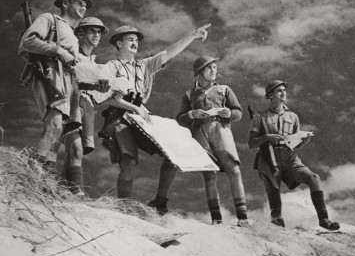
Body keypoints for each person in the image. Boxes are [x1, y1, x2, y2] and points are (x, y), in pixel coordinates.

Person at [102, 24, 211, 200]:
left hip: (142, 118)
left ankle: (160, 201)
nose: (135, 43)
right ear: (118, 43)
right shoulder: (111, 67)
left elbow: (168, 53)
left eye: (136, 40)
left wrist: (192, 36)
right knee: (128, 161)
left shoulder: (144, 66)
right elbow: (110, 99)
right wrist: (135, 108)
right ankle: (124, 205)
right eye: (130, 39)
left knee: (174, 152)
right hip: (120, 117)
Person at [149, 56, 249, 227]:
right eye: (209, 68)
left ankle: (243, 217)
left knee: (234, 170)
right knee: (209, 174)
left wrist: (229, 114)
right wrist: (191, 115)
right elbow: (180, 120)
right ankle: (216, 219)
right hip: (200, 133)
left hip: (221, 131)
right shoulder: (189, 95)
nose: (213, 71)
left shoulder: (224, 90)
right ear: (199, 72)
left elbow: (238, 112)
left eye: (215, 67)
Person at [248, 80, 340, 230]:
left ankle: (324, 220)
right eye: (279, 91)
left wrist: (303, 141)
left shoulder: (293, 117)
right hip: (269, 158)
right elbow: (251, 143)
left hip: (289, 157)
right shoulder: (260, 117)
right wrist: (267, 137)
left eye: (284, 90)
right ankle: (277, 224)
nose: (283, 93)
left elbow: (294, 142)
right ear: (270, 95)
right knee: (274, 192)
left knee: (313, 178)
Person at [19, 0, 92, 174]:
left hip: (69, 80)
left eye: (85, 4)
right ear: (65, 3)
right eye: (79, 2)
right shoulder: (49, 19)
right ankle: (30, 176)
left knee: (58, 132)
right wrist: (58, 51)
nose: (84, 6)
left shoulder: (72, 34)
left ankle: (45, 181)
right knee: (54, 125)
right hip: (51, 74)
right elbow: (27, 41)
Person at [62, 17, 111, 195]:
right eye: (92, 31)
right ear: (80, 34)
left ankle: (63, 188)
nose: (97, 35)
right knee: (75, 147)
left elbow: (96, 95)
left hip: (86, 106)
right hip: (70, 103)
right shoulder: (72, 53)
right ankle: (76, 191)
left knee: (75, 150)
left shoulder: (94, 62)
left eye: (99, 32)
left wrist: (109, 91)